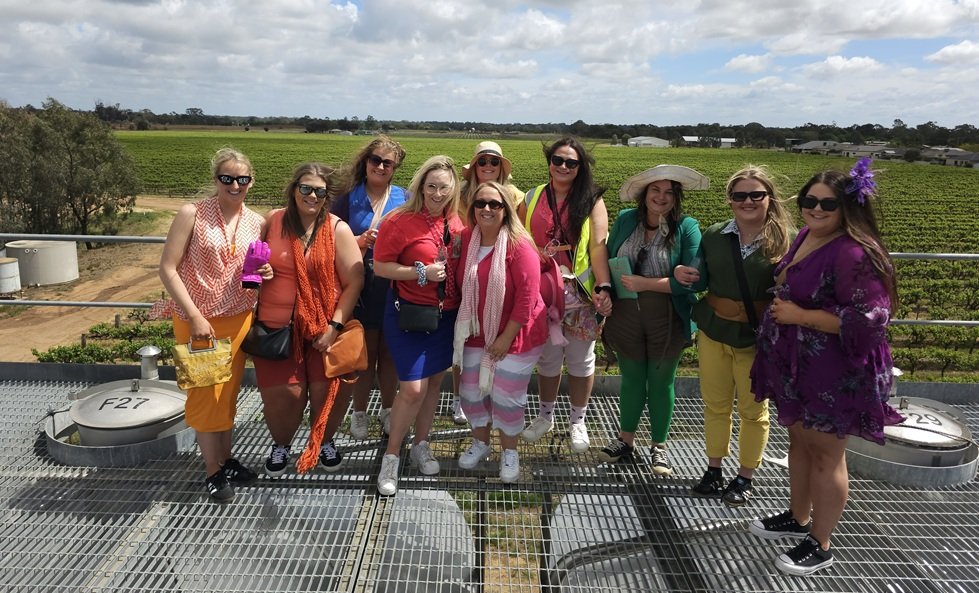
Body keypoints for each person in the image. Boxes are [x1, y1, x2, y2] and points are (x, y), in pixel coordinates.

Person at [748, 158, 903, 576]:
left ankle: (821, 542)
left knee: (826, 456)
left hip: (833, 372)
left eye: (827, 204)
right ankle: (798, 518)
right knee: (800, 445)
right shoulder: (807, 236)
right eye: (808, 200)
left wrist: (800, 316)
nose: (815, 209)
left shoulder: (854, 253)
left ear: (847, 208)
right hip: (797, 365)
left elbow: (871, 321)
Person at [679, 165, 795, 506]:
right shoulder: (715, 235)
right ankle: (714, 470)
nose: (748, 201)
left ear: (769, 199)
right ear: (730, 201)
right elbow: (700, 279)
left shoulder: (785, 242)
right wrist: (683, 273)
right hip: (715, 331)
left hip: (755, 339)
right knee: (715, 405)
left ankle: (745, 476)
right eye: (739, 195)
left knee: (753, 410)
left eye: (755, 195)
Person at [158, 147, 268, 502]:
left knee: (227, 393)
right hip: (199, 321)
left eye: (242, 179)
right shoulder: (193, 213)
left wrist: (265, 272)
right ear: (215, 179)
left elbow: (252, 270)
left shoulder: (256, 221)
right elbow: (168, 268)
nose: (234, 185)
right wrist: (194, 316)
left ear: (251, 182)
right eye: (227, 178)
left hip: (238, 319)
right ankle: (212, 471)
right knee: (206, 395)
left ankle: (226, 458)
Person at [253, 163, 363, 478]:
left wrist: (334, 327)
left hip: (325, 329)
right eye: (305, 188)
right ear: (294, 190)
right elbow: (252, 261)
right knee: (285, 395)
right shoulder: (272, 222)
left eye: (319, 190)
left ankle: (324, 441)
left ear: (327, 196)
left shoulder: (336, 229)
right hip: (277, 326)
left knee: (326, 389)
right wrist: (260, 271)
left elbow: (354, 281)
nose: (312, 195)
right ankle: (281, 444)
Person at [598, 165, 706, 475]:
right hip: (626, 313)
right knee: (631, 379)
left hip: (667, 316)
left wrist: (646, 284)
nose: (661, 197)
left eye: (669, 192)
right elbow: (605, 258)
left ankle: (659, 447)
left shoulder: (687, 227)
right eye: (655, 190)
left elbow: (692, 280)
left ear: (676, 198)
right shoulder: (626, 220)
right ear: (644, 195)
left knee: (661, 383)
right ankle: (625, 441)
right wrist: (604, 290)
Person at [372, 155, 465, 496]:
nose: (437, 194)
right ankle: (392, 454)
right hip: (408, 314)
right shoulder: (399, 222)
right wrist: (419, 273)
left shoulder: (457, 223)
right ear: (420, 187)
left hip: (446, 316)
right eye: (431, 187)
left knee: (434, 384)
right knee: (412, 388)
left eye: (444, 187)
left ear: (454, 189)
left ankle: (421, 443)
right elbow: (381, 267)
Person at [518, 136, 612, 453]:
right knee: (546, 358)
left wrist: (603, 285)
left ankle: (577, 421)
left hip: (579, 292)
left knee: (580, 359)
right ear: (549, 162)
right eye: (558, 160)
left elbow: (598, 247)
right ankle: (545, 416)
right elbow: (518, 244)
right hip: (542, 291)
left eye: (571, 162)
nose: (563, 166)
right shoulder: (530, 198)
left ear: (579, 167)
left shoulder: (591, 201)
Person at [453, 182, 547, 483]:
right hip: (476, 331)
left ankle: (509, 451)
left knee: (506, 396)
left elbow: (527, 297)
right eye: (480, 204)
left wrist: (505, 337)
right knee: (469, 393)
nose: (487, 209)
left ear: (506, 209)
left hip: (517, 334)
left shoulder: (520, 245)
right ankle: (481, 443)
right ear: (472, 209)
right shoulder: (466, 239)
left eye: (495, 204)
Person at [331, 135, 407, 440]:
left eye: (387, 162)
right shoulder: (346, 198)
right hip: (358, 287)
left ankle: (388, 409)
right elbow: (330, 238)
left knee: (389, 354)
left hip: (393, 288)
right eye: (375, 159)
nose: (380, 166)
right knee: (362, 353)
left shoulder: (406, 197)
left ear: (395, 167)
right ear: (365, 162)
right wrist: (358, 242)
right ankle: (359, 412)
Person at [449, 141, 524, 425]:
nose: (489, 167)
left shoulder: (515, 196)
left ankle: (491, 392)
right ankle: (460, 397)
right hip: (465, 272)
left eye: (494, 162)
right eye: (483, 162)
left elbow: (519, 235)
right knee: (464, 338)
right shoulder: (459, 195)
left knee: (495, 336)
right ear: (474, 167)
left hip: (498, 276)